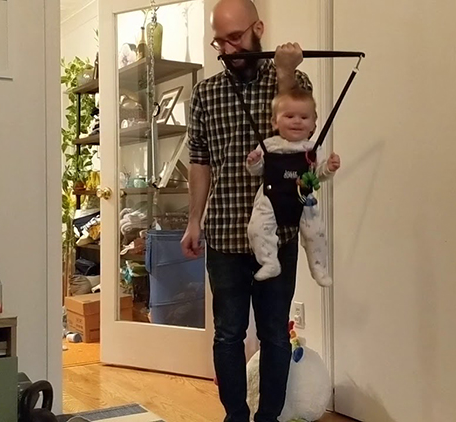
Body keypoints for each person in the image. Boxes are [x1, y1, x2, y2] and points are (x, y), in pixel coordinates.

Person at [179, 0, 312, 420]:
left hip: (278, 236)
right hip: (223, 233)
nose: (227, 48)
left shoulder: (294, 81)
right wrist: (193, 220)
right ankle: (234, 416)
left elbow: (298, 143)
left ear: (258, 28)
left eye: (235, 38)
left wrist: (287, 73)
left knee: (274, 335)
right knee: (228, 335)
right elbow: (199, 160)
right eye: (220, 40)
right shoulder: (205, 92)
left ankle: (268, 417)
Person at [246, 88, 340, 286]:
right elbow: (257, 171)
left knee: (316, 233)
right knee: (256, 228)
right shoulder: (268, 145)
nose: (297, 121)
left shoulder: (313, 149)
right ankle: (269, 261)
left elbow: (319, 175)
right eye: (289, 116)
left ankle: (319, 267)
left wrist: (329, 168)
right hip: (270, 198)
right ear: (275, 122)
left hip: (303, 199)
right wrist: (254, 161)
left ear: (313, 124)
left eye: (304, 117)